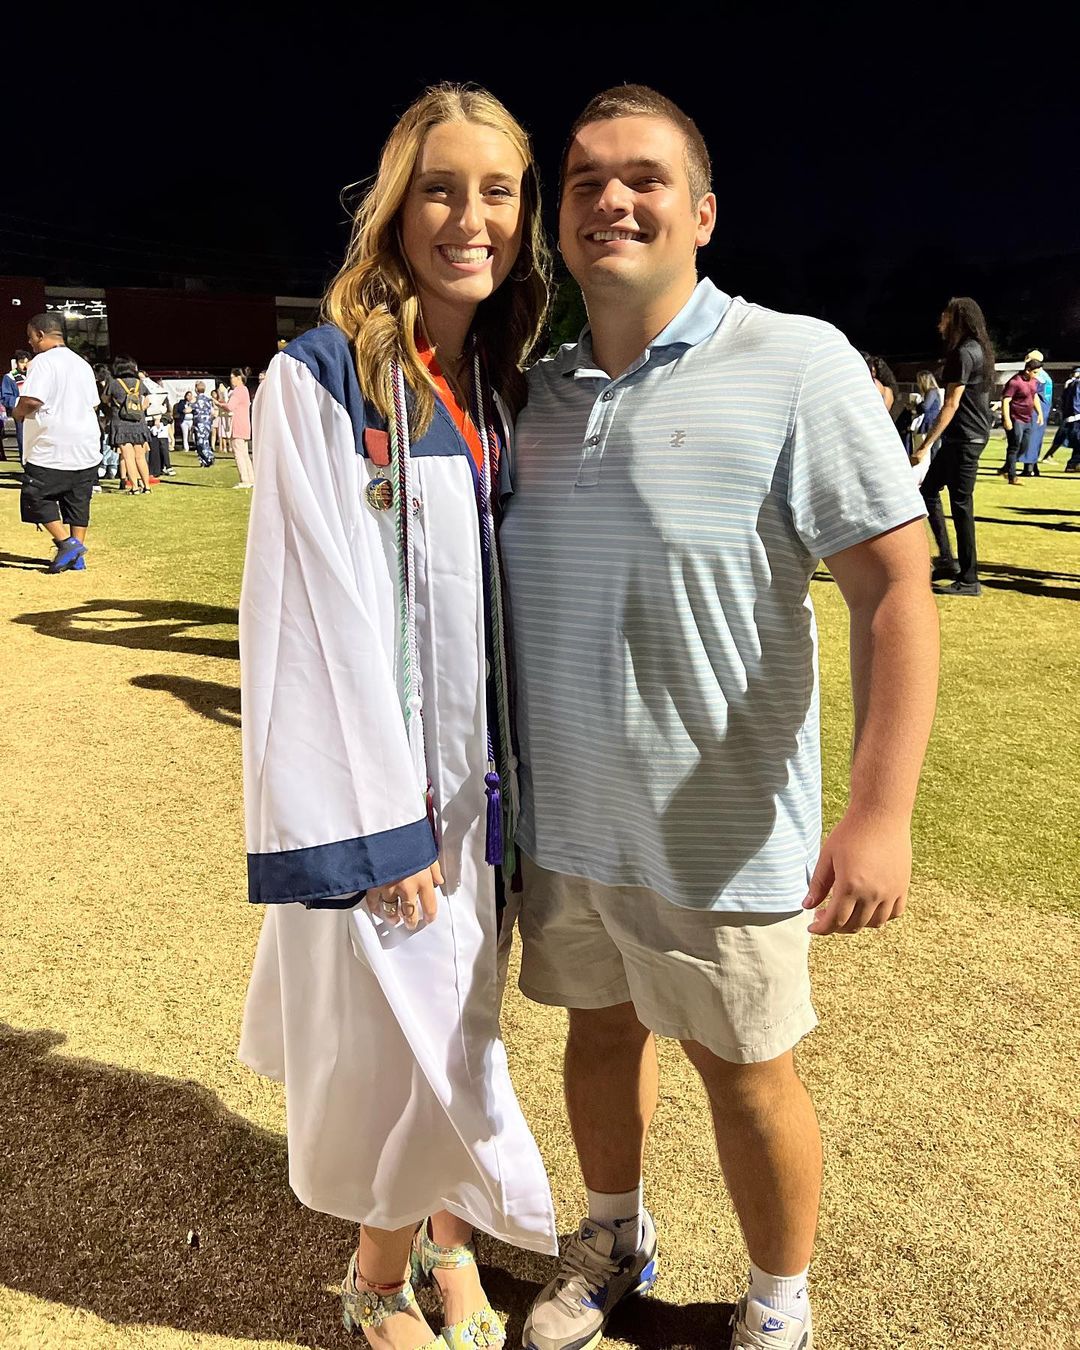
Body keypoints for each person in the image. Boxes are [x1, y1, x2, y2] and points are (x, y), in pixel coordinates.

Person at [499, 85, 939, 1350]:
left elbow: (895, 589)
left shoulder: (795, 361)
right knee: (598, 1036)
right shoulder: (540, 392)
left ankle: (777, 1306)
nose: (610, 200)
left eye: (643, 178)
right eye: (585, 181)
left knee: (747, 1077)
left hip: (725, 834)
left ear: (700, 213)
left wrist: (880, 814)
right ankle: (613, 1237)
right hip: (569, 825)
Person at [238, 83, 557, 1350]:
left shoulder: (500, 385)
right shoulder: (325, 381)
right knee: (397, 1041)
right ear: (394, 208)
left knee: (465, 1027)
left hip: (487, 799)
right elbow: (307, 616)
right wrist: (380, 821)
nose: (469, 218)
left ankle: (450, 1244)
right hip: (393, 803)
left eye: (497, 191)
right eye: (440, 188)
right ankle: (377, 1283)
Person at [918, 297, 997, 595]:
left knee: (961, 506)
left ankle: (969, 579)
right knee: (928, 492)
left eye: (945, 316)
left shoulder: (964, 352)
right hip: (965, 438)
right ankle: (948, 560)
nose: (940, 322)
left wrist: (924, 446)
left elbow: (951, 404)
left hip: (965, 439)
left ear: (957, 319)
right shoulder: (978, 350)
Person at [12, 313, 101, 572]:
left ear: (40, 335)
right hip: (86, 443)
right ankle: (76, 556)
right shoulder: (82, 364)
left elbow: (33, 399)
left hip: (51, 445)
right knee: (77, 500)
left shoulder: (43, 362)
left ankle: (66, 544)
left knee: (35, 496)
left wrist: (17, 412)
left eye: (31, 337)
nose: (30, 343)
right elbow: (94, 403)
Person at [107, 356, 153, 494]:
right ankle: (147, 486)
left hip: (121, 423)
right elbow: (147, 400)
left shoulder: (114, 383)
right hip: (138, 422)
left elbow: (105, 399)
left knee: (128, 457)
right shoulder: (139, 383)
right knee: (140, 456)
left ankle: (134, 487)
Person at [998, 357, 1044, 485]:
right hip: (1015, 418)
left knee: (1024, 446)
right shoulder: (1015, 382)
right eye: (1035, 372)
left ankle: (1005, 469)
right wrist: (1007, 419)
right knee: (1014, 446)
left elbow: (1034, 396)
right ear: (1028, 370)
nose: (1037, 375)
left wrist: (1039, 413)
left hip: (1027, 418)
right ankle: (1012, 477)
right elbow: (1006, 400)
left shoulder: (1034, 382)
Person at [217, 369, 252, 487]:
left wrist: (219, 404)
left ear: (238, 378)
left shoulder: (238, 391)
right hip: (245, 424)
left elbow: (230, 407)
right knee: (245, 454)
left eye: (232, 377)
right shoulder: (245, 390)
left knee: (238, 454)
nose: (231, 380)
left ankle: (244, 480)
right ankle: (251, 478)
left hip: (238, 424)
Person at [1019, 350, 1051, 476]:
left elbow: (1031, 393)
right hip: (1044, 409)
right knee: (1037, 439)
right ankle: (1034, 466)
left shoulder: (1037, 377)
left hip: (1035, 410)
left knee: (1030, 438)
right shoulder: (1045, 376)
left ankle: (1029, 468)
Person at [1044, 365, 1080, 463]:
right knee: (1069, 438)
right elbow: (1074, 400)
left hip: (1070, 415)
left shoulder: (1072, 383)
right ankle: (1073, 463)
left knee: (1063, 437)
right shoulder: (1074, 383)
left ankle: (1049, 456)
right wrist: (1075, 414)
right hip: (1073, 416)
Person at [2, 348, 31, 459]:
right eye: (22, 362)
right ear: (16, 363)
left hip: (34, 411)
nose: (25, 365)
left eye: (27, 362)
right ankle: (25, 461)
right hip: (21, 412)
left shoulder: (34, 375)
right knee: (23, 437)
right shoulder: (9, 378)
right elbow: (6, 397)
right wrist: (19, 402)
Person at [191, 382, 214, 465]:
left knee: (200, 442)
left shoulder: (195, 399)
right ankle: (209, 456)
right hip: (207, 423)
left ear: (196, 389)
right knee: (206, 440)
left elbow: (189, 409)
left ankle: (205, 459)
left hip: (199, 423)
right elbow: (213, 413)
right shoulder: (208, 400)